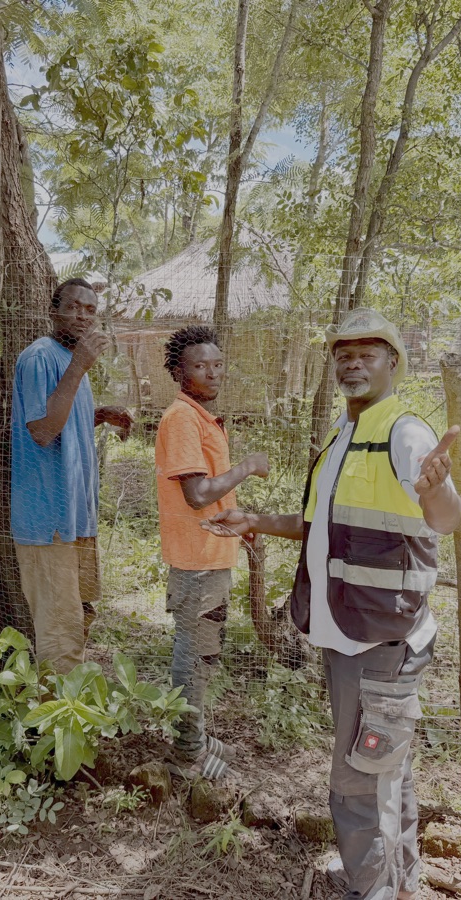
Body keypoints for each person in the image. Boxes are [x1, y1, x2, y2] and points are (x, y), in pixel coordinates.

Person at [203, 308, 461, 900]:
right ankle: (396, 882)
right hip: (349, 631)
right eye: (344, 354)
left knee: (358, 781)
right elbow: (323, 525)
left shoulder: (405, 433)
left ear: (393, 364)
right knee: (384, 771)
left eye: (368, 353)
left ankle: (370, 891)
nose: (353, 362)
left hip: (378, 640)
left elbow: (445, 519)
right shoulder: (347, 434)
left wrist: (437, 488)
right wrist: (257, 521)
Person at [154, 326, 267, 780]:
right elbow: (197, 494)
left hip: (212, 554)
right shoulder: (182, 418)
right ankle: (187, 754)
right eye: (201, 366)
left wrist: (239, 521)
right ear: (180, 372)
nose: (213, 373)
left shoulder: (200, 416)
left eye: (218, 364)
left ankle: (194, 733)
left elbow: (212, 494)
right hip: (196, 562)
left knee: (206, 650)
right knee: (195, 651)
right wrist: (248, 467)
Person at [10, 277, 133, 673]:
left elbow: (58, 420)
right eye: (74, 306)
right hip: (48, 520)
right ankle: (59, 722)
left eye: (91, 309)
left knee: (79, 613)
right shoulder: (39, 358)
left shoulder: (71, 360)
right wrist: (80, 365)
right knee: (60, 630)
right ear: (53, 311)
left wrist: (95, 416)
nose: (83, 315)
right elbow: (43, 431)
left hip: (77, 517)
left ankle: (68, 705)